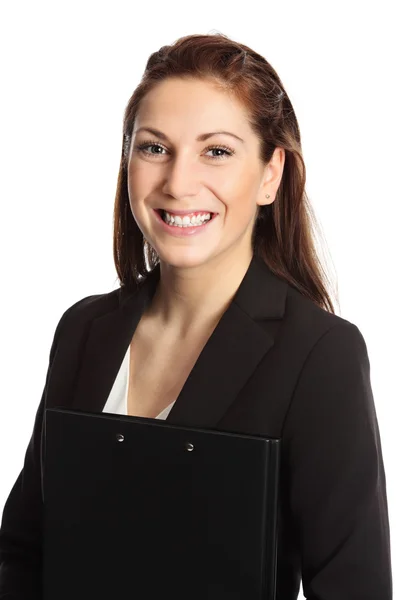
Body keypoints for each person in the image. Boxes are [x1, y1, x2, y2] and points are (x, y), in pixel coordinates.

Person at [0, 32, 392, 599]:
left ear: (270, 174)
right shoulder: (84, 329)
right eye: (154, 148)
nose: (178, 183)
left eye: (217, 151)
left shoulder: (319, 354)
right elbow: (22, 551)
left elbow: (355, 588)